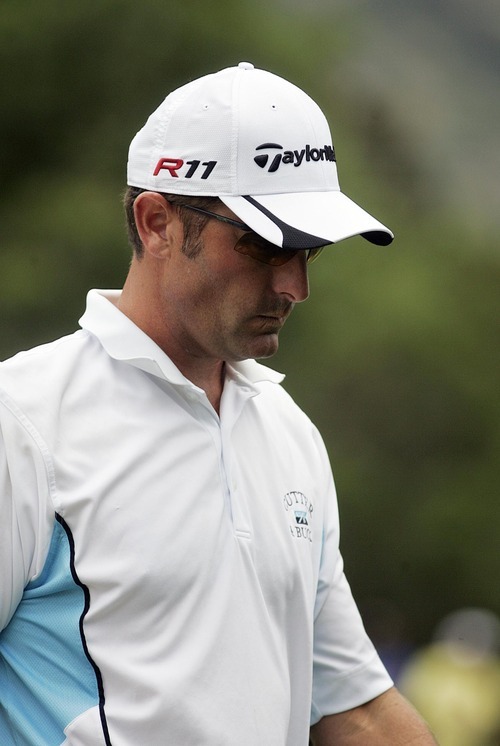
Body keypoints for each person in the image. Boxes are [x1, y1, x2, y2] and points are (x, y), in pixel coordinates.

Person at [0, 62, 436, 745]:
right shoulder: (21, 423)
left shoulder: (289, 434)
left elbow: (355, 711)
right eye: (265, 246)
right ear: (155, 223)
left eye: (310, 251)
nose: (296, 285)